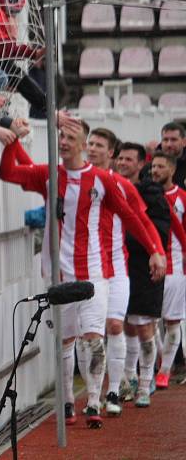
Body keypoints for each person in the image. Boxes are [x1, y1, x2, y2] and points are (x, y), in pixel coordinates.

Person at [0, 120, 166, 428]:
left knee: (97, 335)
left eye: (70, 138)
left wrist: (156, 250)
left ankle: (97, 399)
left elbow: (132, 216)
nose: (63, 142)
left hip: (97, 275)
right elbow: (8, 172)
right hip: (60, 276)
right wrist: (10, 141)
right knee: (65, 342)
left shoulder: (104, 181)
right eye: (61, 136)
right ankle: (65, 401)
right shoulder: (50, 175)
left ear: (84, 144)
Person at [86, 129, 164, 415]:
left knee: (118, 326)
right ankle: (89, 398)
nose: (92, 149)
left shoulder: (121, 186)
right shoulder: (76, 181)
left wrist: (157, 251)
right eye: (90, 144)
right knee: (90, 334)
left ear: (111, 153)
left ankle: (119, 390)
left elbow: (140, 219)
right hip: (85, 265)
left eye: (99, 145)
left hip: (118, 266)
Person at [115, 142, 172, 407]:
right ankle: (128, 379)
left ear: (141, 164)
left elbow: (158, 232)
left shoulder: (152, 194)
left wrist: (148, 250)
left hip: (144, 266)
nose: (122, 163)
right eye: (120, 158)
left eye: (128, 159)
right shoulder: (109, 186)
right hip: (117, 267)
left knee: (144, 326)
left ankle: (146, 382)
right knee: (123, 324)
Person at [149, 152, 186, 389]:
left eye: (161, 167)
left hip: (174, 268)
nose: (155, 171)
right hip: (148, 266)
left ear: (171, 170)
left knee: (172, 322)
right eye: (153, 166)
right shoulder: (145, 195)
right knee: (149, 322)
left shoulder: (182, 197)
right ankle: (162, 356)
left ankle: (164, 372)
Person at [142, 122, 186, 188]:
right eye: (165, 140)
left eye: (174, 140)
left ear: (184, 142)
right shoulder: (148, 168)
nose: (169, 144)